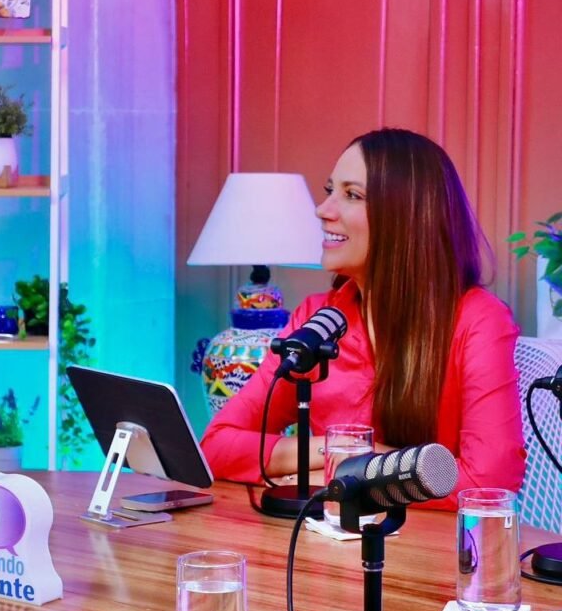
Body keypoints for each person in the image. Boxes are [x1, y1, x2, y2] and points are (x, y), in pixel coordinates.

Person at [200, 128, 525, 510]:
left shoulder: (478, 321)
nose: (323, 209)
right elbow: (217, 445)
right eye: (330, 190)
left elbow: (489, 481)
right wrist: (339, 451)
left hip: (426, 546)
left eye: (352, 195)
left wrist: (339, 476)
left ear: (407, 217)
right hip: (324, 539)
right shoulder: (316, 319)